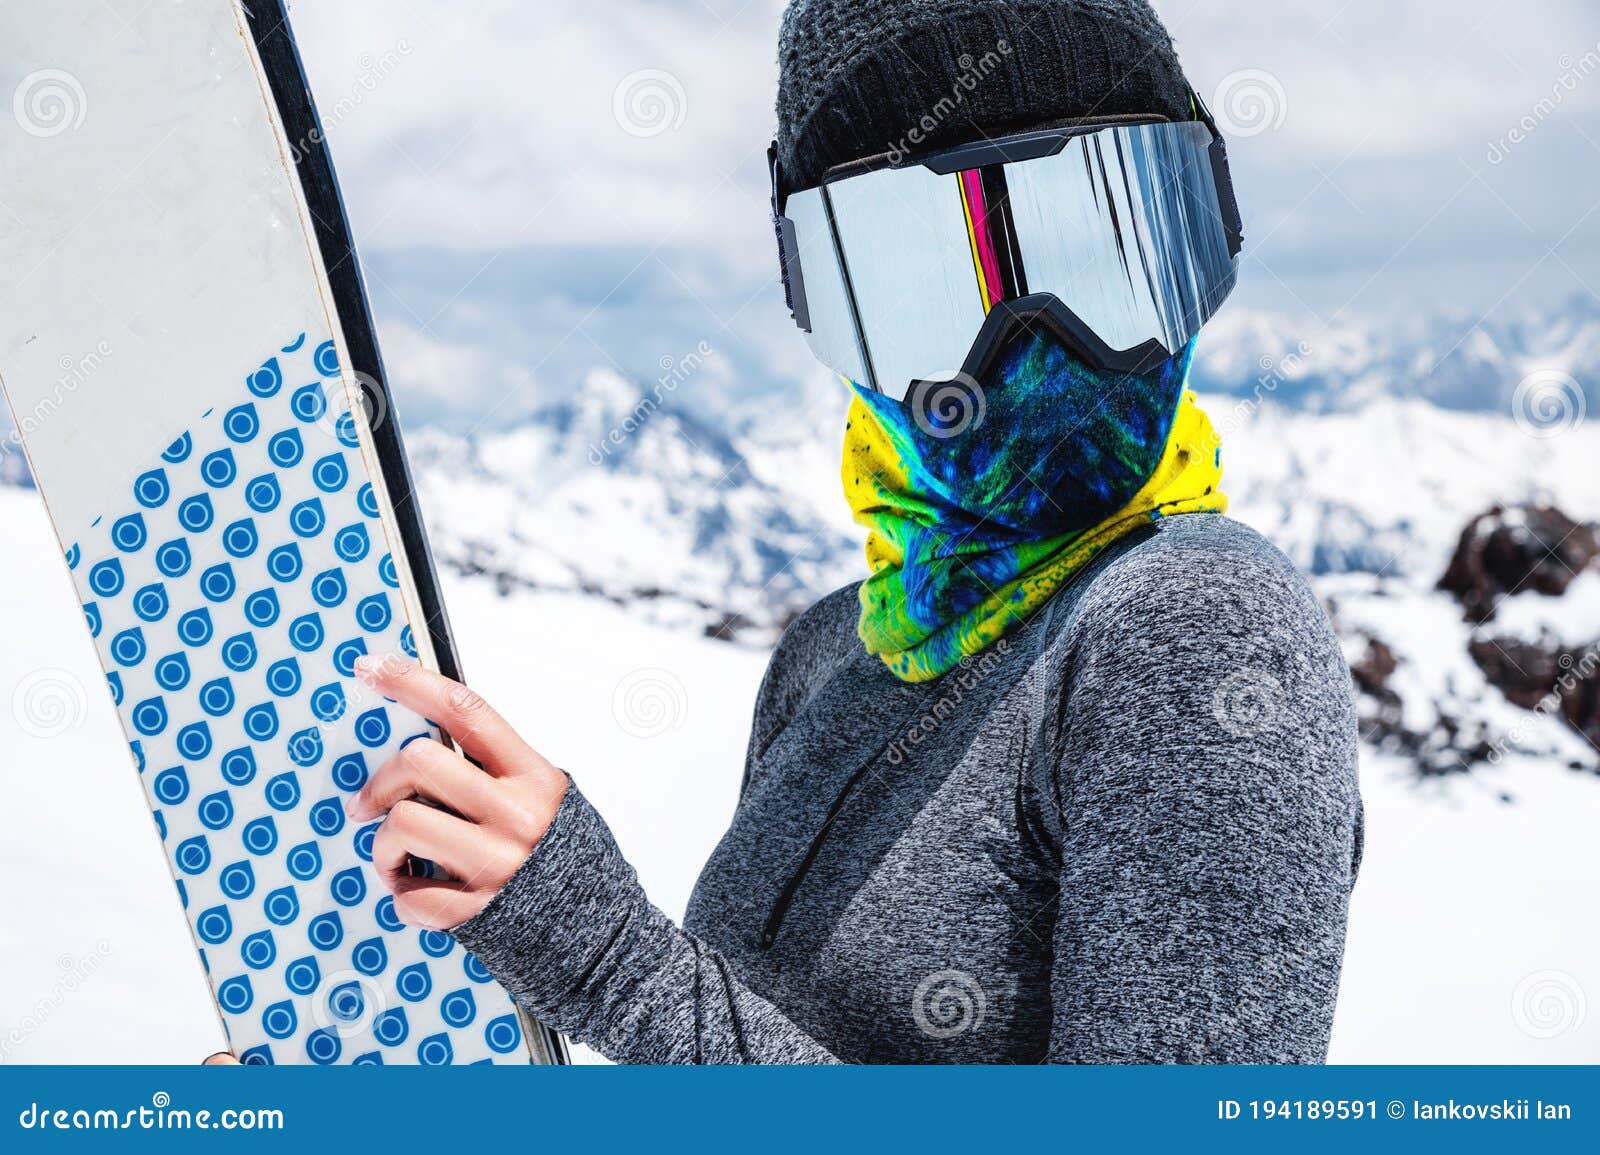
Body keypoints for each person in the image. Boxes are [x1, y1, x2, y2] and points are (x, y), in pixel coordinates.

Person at [213, 0, 1362, 1065]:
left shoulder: (1198, 628)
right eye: (926, 285)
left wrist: (610, 965)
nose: (1030, 346)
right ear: (820, 303)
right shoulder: (832, 657)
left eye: (1106, 251)